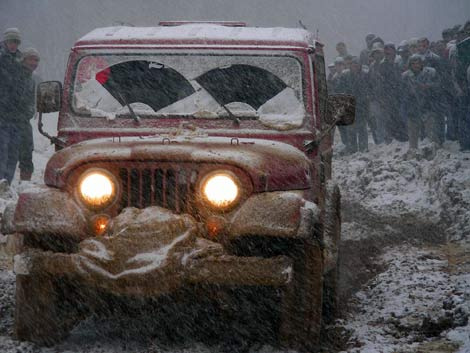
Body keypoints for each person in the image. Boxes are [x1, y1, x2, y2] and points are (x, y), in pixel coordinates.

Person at [402, 54, 442, 152]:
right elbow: (401, 91)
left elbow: (438, 85)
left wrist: (428, 87)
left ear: (422, 63)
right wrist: (409, 93)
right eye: (413, 63)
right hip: (412, 105)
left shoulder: (431, 72)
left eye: (418, 63)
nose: (416, 65)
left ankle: (435, 150)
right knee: (413, 132)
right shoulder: (405, 76)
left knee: (431, 130)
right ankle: (413, 151)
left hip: (428, 104)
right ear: (410, 65)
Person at [0, 28, 23, 184]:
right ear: (5, 42)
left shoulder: (20, 59)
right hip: (2, 112)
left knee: (14, 151)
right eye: (11, 41)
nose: (13, 44)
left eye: (16, 42)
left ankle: (7, 181)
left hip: (16, 113)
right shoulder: (1, 58)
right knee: (2, 149)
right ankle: (1, 181)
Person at [337, 57, 370, 153]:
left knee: (362, 128)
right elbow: (340, 89)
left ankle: (363, 147)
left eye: (357, 64)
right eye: (353, 64)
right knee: (351, 128)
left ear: (360, 65)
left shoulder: (365, 75)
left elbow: (369, 88)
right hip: (350, 105)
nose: (355, 66)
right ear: (350, 65)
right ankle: (353, 148)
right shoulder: (345, 76)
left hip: (362, 105)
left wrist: (366, 98)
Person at [17, 48, 41, 181]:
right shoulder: (15, 75)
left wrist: (31, 110)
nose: (34, 63)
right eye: (31, 59)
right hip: (9, 122)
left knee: (26, 153)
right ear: (24, 60)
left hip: (24, 122)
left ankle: (25, 183)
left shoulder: (32, 79)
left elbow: (31, 100)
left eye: (36, 60)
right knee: (8, 154)